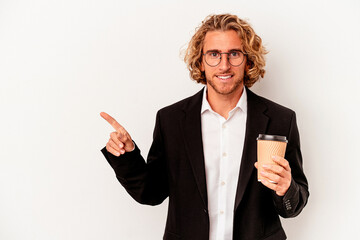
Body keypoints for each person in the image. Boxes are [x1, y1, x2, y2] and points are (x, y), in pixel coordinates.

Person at [100, 14, 309, 240]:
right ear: (201, 61)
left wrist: (286, 188)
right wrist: (127, 155)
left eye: (234, 54)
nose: (224, 64)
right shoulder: (171, 120)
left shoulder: (280, 119)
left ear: (248, 60)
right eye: (214, 54)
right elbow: (151, 193)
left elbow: (292, 207)